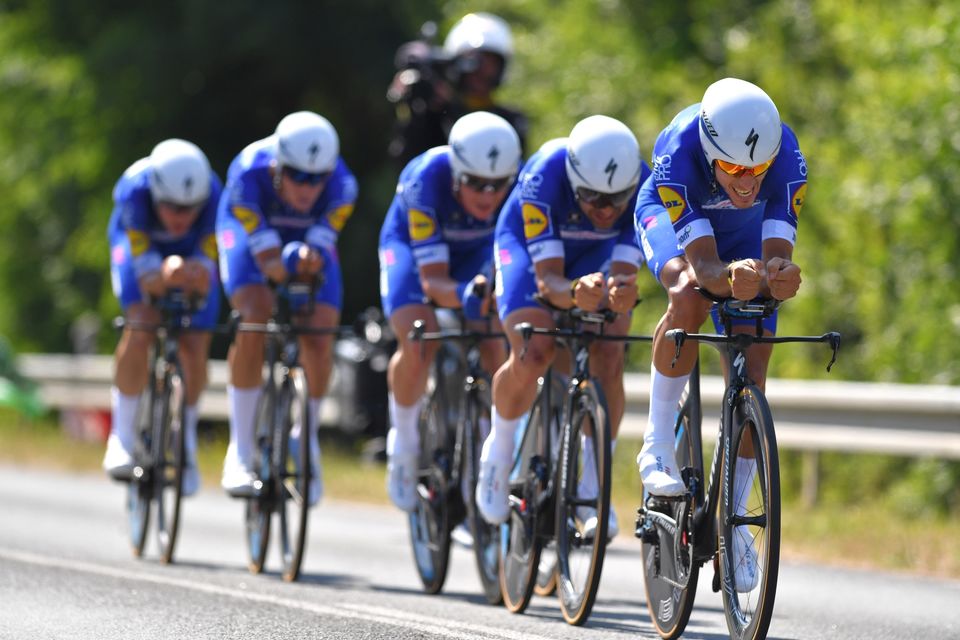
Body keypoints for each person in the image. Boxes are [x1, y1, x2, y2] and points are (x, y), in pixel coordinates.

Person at [634, 77, 806, 590]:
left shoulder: (786, 154)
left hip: (743, 233)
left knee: (755, 360)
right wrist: (726, 278)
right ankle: (657, 442)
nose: (748, 180)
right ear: (711, 153)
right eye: (733, 168)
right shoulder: (680, 153)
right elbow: (707, 266)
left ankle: (737, 524)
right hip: (676, 224)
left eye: (759, 168)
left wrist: (781, 277)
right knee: (688, 293)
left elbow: (778, 256)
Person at [475, 115, 649, 540]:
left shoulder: (644, 184)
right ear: (574, 182)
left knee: (610, 351)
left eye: (617, 200)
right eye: (593, 199)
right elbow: (546, 282)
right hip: (530, 252)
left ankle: (594, 484)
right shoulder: (543, 177)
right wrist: (573, 292)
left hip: (595, 258)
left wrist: (622, 292)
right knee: (534, 352)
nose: (606, 210)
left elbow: (624, 275)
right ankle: (498, 453)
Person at [379, 111, 521, 512]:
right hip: (413, 252)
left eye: (499, 185)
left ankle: (487, 438)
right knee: (419, 336)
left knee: (498, 337)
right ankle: (404, 441)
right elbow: (433, 283)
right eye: (476, 183)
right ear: (457, 171)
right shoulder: (425, 178)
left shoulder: (522, 179)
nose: (488, 195)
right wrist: (468, 293)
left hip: (475, 253)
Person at [216, 111, 358, 504]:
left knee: (320, 331)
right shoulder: (247, 172)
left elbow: (316, 251)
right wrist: (281, 267)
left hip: (305, 240)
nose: (309, 189)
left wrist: (307, 265)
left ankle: (305, 437)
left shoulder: (343, 186)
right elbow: (270, 264)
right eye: (299, 177)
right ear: (278, 166)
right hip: (250, 233)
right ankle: (240, 448)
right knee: (255, 314)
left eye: (318, 179)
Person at [104, 139, 223, 497]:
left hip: (192, 255)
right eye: (171, 207)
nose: (181, 217)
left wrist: (195, 275)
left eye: (191, 209)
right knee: (141, 325)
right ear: (156, 193)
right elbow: (147, 274)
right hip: (139, 248)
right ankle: (121, 437)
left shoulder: (216, 196)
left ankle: (184, 433)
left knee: (196, 342)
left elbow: (210, 261)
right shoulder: (134, 190)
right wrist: (162, 273)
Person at [387, 12, 528, 169]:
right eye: (471, 63)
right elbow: (406, 161)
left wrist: (448, 107)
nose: (480, 73)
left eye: (490, 64)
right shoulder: (434, 115)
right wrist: (413, 108)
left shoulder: (511, 120)